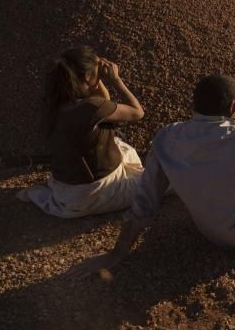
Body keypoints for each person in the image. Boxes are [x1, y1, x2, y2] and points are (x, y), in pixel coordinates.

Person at [67, 74, 235, 278]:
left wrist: (118, 252)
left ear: (194, 105)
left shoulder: (167, 137)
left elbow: (146, 199)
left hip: (212, 233)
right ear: (233, 108)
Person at [19, 47, 146, 218]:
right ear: (86, 77)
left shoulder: (52, 104)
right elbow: (138, 113)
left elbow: (103, 104)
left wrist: (95, 78)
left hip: (65, 192)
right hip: (96, 194)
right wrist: (116, 80)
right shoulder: (89, 108)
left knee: (120, 145)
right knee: (162, 184)